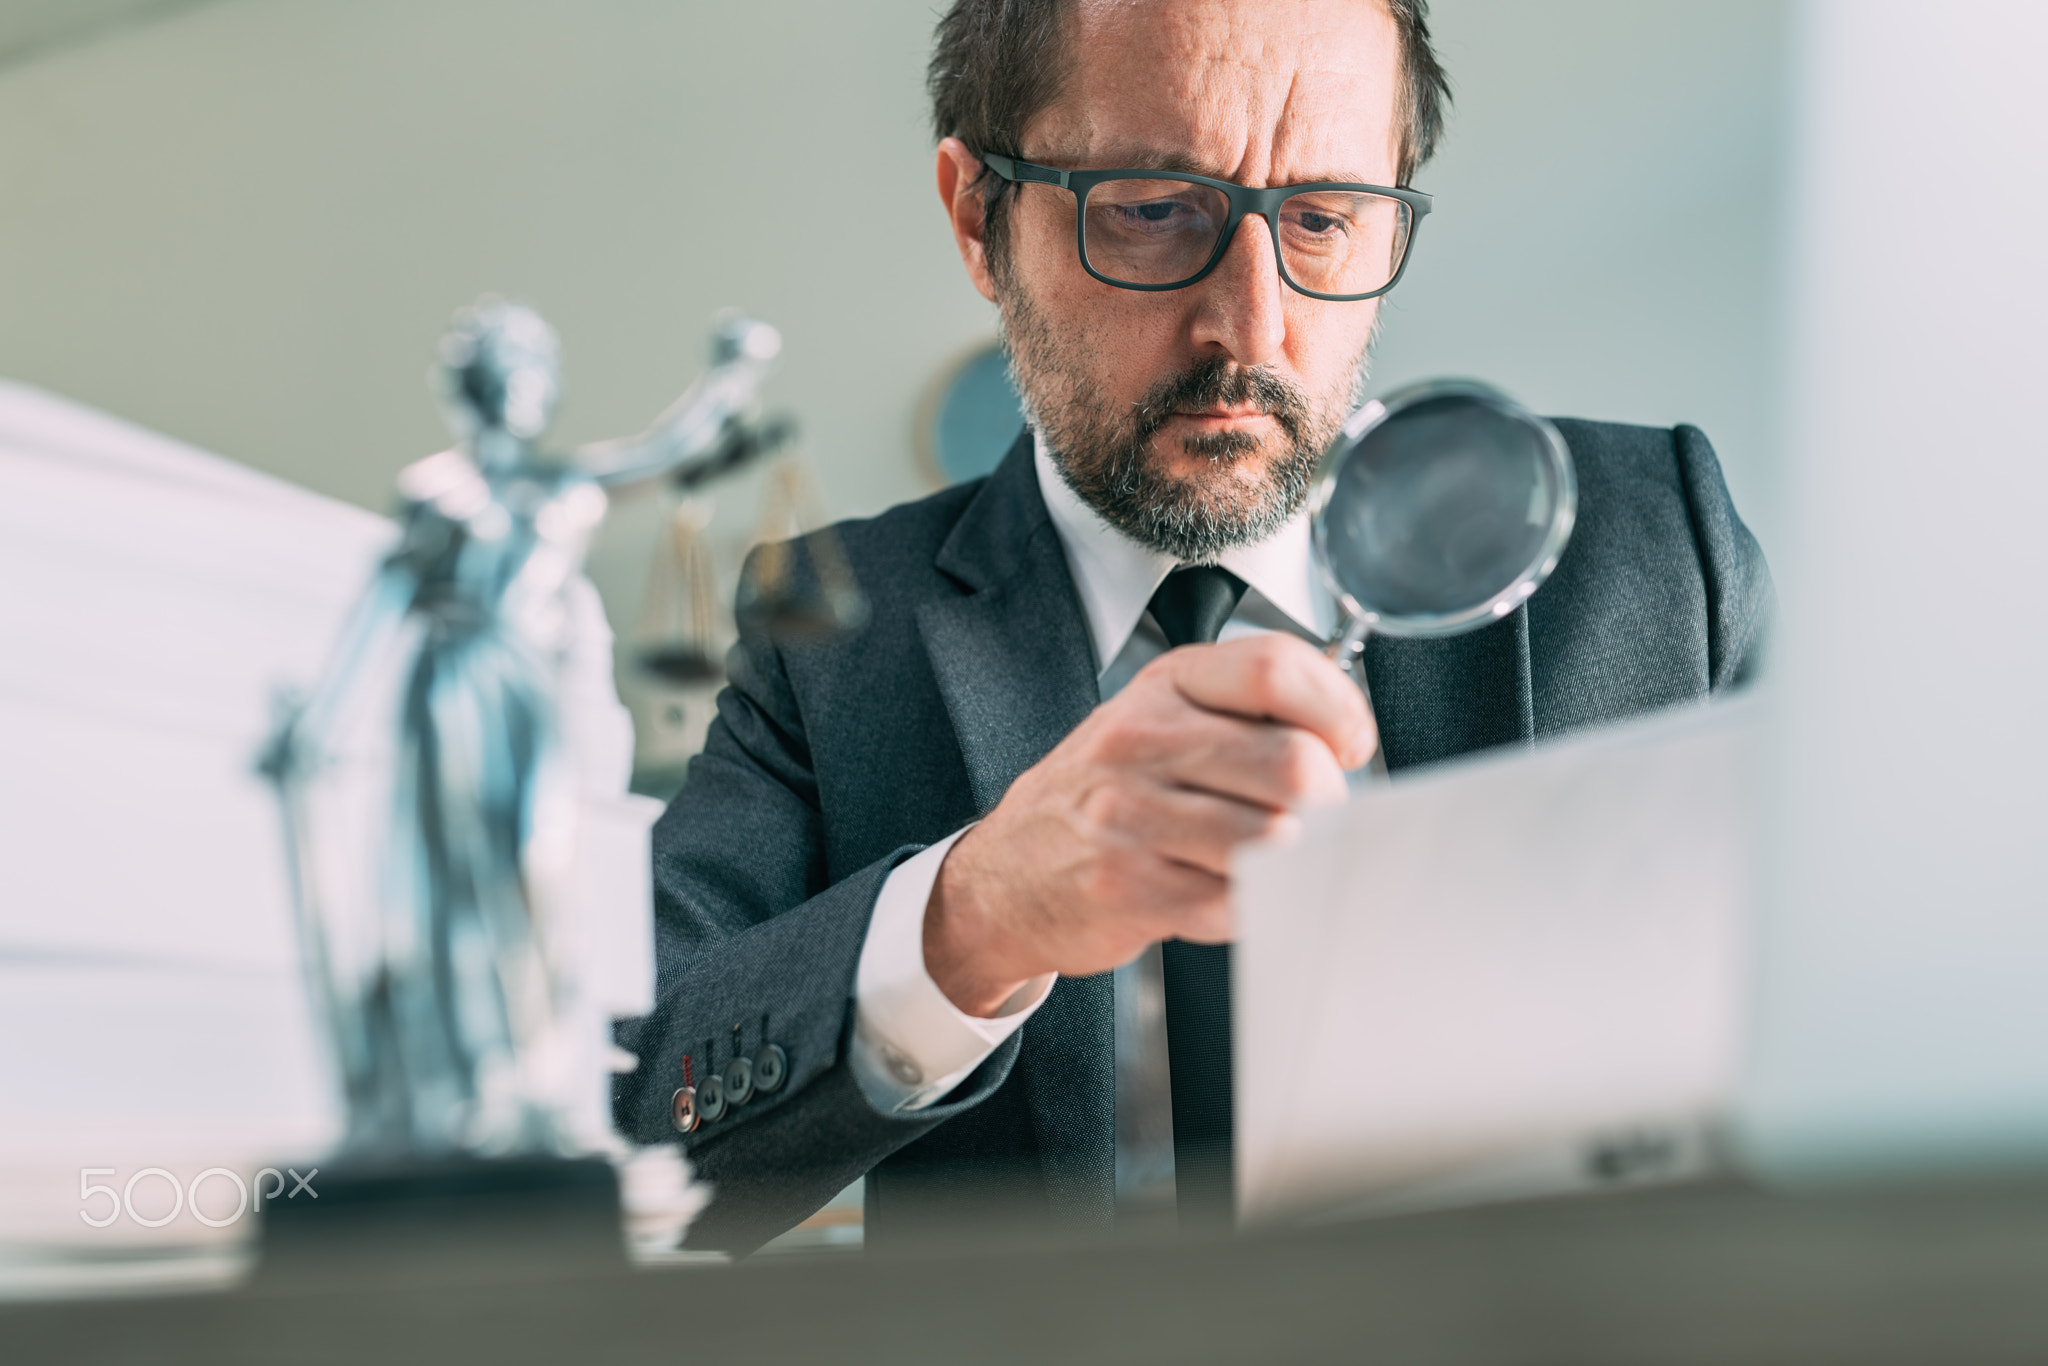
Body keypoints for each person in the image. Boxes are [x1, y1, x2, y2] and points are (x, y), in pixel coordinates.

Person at [615, 0, 1771, 1253]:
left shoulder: (1659, 547)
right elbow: (626, 1126)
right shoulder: (832, 633)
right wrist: (972, 915)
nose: (1250, 329)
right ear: (975, 218)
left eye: (1324, 217)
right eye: (1153, 211)